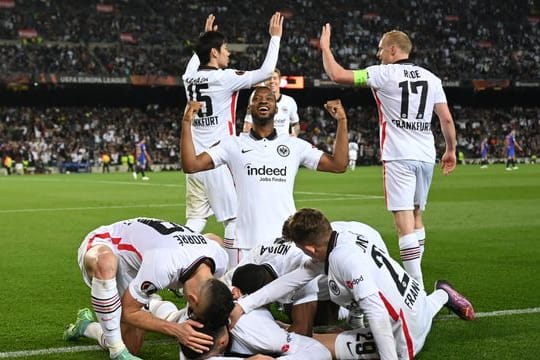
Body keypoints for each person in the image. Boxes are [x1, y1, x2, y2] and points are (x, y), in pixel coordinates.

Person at [234, 208, 476, 360]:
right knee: (416, 310)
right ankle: (442, 294)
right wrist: (244, 306)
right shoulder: (339, 238)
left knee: (314, 343)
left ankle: (441, 296)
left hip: (405, 338)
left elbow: (377, 313)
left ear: (309, 248)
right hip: (418, 306)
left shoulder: (344, 259)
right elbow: (291, 281)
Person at [319, 25, 457, 288]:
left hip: (398, 156)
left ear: (393, 50)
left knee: (403, 222)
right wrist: (450, 150)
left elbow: (337, 74)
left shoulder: (382, 74)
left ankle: (415, 285)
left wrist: (326, 48)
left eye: (381, 48)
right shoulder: (432, 78)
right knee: (417, 216)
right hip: (426, 155)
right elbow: (446, 119)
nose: (378, 53)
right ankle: (415, 270)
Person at [181, 86, 348, 266]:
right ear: (249, 109)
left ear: (276, 108)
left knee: (287, 293)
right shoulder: (232, 144)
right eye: (257, 98)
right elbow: (191, 165)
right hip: (243, 243)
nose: (263, 101)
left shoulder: (294, 146)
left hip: (286, 242)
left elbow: (338, 165)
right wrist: (186, 123)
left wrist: (342, 121)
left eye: (268, 98)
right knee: (239, 293)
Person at [181, 13, 283, 268]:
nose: (228, 54)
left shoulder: (188, 77)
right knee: (234, 219)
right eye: (225, 49)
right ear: (214, 53)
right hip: (217, 160)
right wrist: (275, 38)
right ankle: (232, 275)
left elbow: (195, 61)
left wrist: (204, 39)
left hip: (193, 159)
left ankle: (181, 266)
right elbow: (267, 72)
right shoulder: (224, 78)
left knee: (195, 220)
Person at [63, 217, 233, 359]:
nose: (192, 315)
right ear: (193, 299)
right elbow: (130, 312)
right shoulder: (164, 265)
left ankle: (89, 325)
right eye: (193, 311)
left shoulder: (220, 258)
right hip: (108, 244)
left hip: (147, 257)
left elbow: (212, 238)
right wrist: (177, 330)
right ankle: (112, 346)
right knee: (105, 262)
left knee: (133, 341)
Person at [243, 69, 301, 137]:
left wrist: (294, 135)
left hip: (282, 144)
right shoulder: (256, 100)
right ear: (264, 82)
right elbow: (248, 123)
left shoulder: (289, 101)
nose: (272, 81)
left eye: (275, 78)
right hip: (262, 143)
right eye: (269, 79)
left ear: (279, 81)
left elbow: (295, 124)